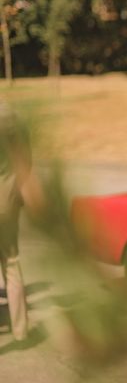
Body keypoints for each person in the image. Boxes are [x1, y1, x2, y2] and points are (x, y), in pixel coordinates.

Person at [0, 101, 30, 341]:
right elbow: (25, 160)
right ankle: (20, 331)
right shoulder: (13, 115)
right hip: (8, 201)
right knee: (12, 263)